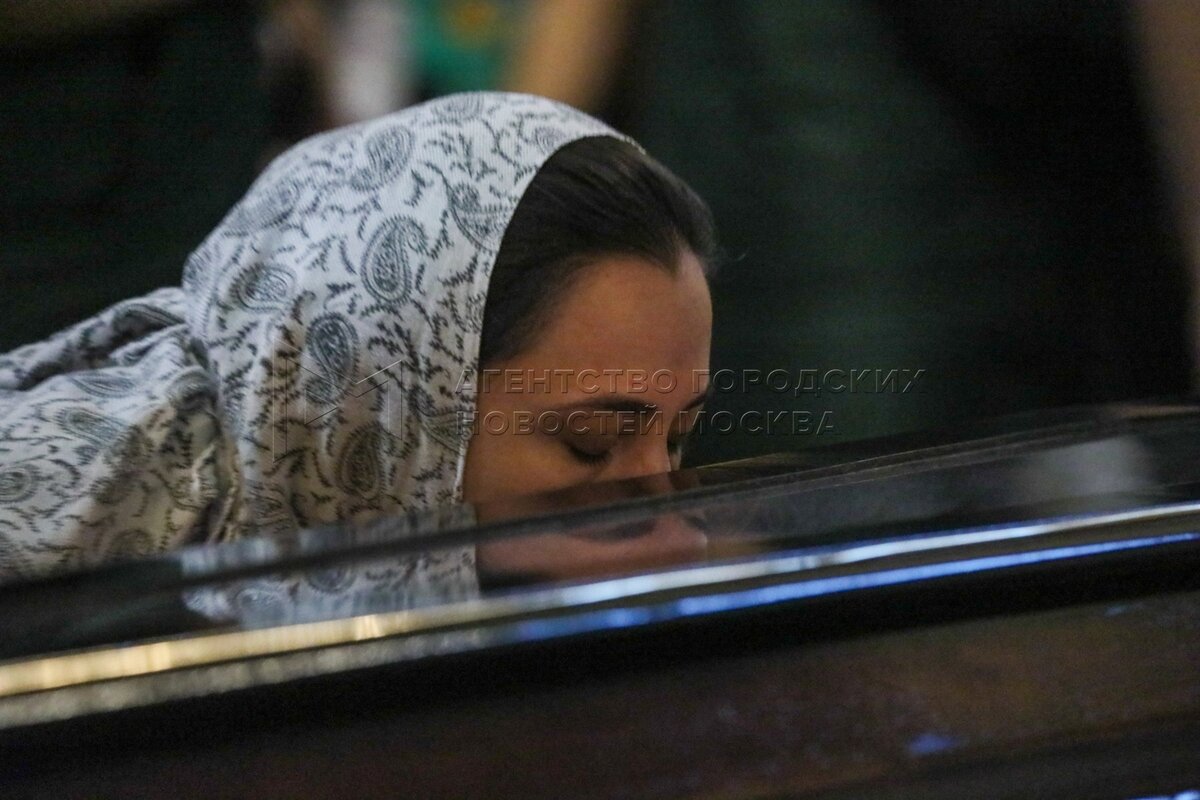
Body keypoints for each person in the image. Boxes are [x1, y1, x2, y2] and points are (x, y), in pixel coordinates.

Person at [0, 92, 716, 584]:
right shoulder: (54, 546)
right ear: (389, 399)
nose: (681, 536)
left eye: (678, 439)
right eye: (591, 443)